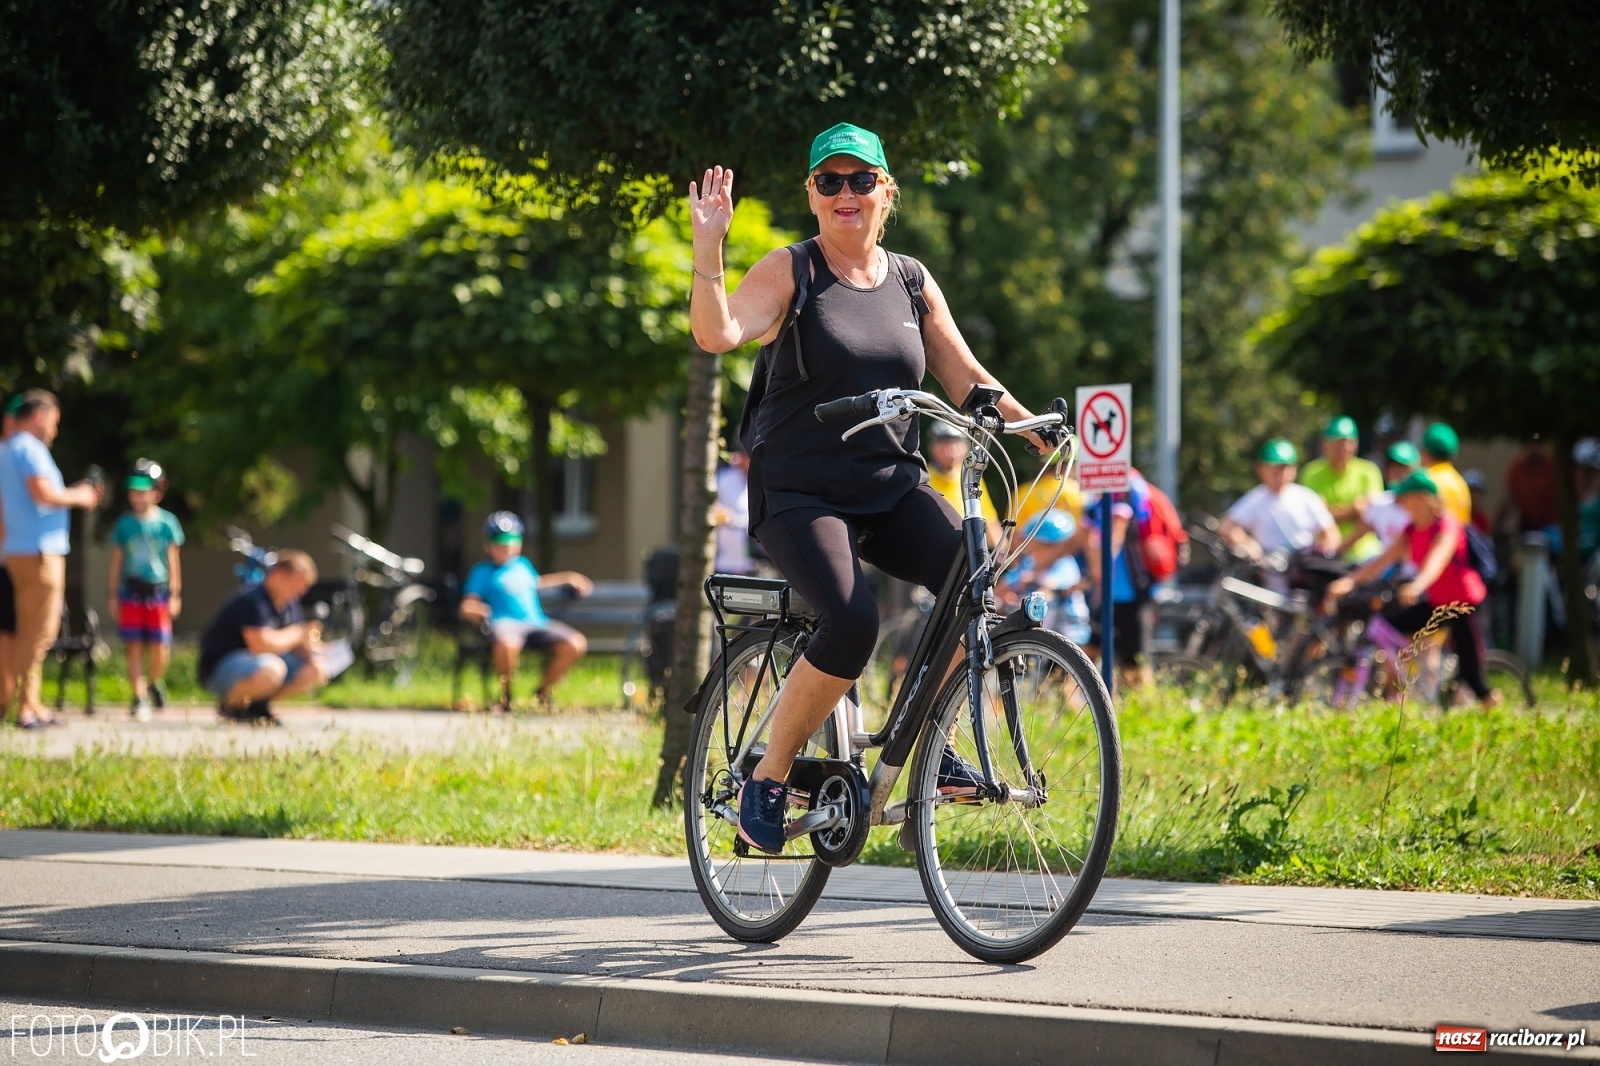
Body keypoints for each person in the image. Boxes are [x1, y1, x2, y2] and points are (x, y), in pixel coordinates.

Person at [688, 122, 1050, 853]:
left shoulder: (911, 280)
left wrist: (1032, 425)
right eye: (830, 182)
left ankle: (934, 747)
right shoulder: (792, 270)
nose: (845, 193)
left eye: (860, 180)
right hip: (801, 492)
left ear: (886, 191)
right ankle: (768, 776)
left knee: (973, 576)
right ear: (812, 195)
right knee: (852, 621)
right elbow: (717, 333)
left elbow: (966, 377)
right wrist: (708, 249)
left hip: (888, 486)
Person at [1325, 471, 1497, 707]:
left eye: (1404, 497)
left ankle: (1494, 709)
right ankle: (1409, 688)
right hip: (1437, 602)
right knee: (1388, 626)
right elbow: (1382, 561)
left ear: (1423, 499)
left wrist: (1417, 585)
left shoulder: (1447, 526)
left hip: (1465, 604)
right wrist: (1350, 581)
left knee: (1473, 677)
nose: (1399, 503)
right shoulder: (1411, 529)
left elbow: (1438, 559)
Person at [0, 390, 103, 728]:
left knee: (28, 631)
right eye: (54, 422)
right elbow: (43, 495)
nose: (55, 431)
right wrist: (81, 495)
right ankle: (24, 708)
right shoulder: (29, 449)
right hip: (39, 553)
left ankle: (30, 702)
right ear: (39, 417)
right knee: (38, 633)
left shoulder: (7, 449)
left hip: (20, 551)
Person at [459, 511, 593, 713]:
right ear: (488, 546)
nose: (506, 548)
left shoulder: (522, 565)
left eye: (512, 542)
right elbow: (467, 605)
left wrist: (568, 577)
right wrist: (475, 610)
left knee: (576, 644)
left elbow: (538, 583)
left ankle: (542, 693)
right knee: (507, 645)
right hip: (505, 624)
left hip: (536, 623)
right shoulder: (482, 572)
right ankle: (506, 698)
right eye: (500, 543)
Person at [198, 550, 326, 723]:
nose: (301, 590)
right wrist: (297, 634)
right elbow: (260, 645)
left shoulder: (289, 605)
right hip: (221, 668)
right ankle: (232, 705)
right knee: (273, 669)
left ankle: (257, 705)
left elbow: (296, 642)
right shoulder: (254, 600)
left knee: (315, 669)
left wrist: (313, 649)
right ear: (278, 574)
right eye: (298, 582)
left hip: (260, 664)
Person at [107, 460, 184, 721]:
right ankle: (139, 695)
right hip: (131, 592)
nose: (137, 496)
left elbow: (173, 561)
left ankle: (154, 681)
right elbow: (117, 561)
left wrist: (175, 594)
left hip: (158, 592)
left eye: (143, 490)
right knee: (134, 646)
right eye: (133, 490)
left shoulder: (167, 523)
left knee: (160, 646)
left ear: (157, 492)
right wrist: (112, 594)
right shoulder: (124, 524)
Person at [1217, 438, 1340, 578]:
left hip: (1302, 575)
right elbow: (1226, 527)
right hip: (1268, 574)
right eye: (1275, 468)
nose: (1281, 474)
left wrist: (1319, 557)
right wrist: (1249, 545)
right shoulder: (1256, 498)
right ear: (1261, 469)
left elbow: (1331, 535)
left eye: (1286, 468)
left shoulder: (1307, 497)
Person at [1083, 474, 1155, 686]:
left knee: (1134, 658)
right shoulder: (1095, 503)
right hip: (1107, 592)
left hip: (1130, 590)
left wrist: (1095, 577)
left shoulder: (1124, 494)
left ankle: (1140, 704)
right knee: (1092, 650)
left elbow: (1113, 540)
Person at [1299, 415, 1385, 561]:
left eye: (1349, 443)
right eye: (1338, 444)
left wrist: (1328, 512)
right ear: (1325, 444)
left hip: (1363, 553)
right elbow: (1310, 516)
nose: (1344, 448)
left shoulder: (1369, 472)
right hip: (1322, 552)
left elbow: (1373, 516)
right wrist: (1352, 510)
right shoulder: (1311, 473)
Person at [1006, 510, 1091, 645]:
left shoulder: (1064, 564)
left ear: (1055, 547)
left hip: (1067, 635)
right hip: (1038, 630)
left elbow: (1049, 589)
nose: (1031, 552)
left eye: (1037, 547)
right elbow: (1008, 584)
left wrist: (1026, 599)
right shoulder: (1029, 563)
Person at [1341, 441, 1422, 561]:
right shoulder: (1380, 503)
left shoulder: (1421, 508)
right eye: (1392, 466)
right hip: (1386, 566)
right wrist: (1329, 553)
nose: (1397, 472)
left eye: (1404, 468)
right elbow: (1355, 537)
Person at [925, 420, 1001, 548]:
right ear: (932, 448)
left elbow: (990, 521)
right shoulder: (923, 477)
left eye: (956, 443)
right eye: (944, 444)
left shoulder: (971, 478)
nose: (950, 451)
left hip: (967, 548)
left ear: (966, 447)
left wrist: (1002, 552)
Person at [1497, 437, 1559, 534]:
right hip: (1526, 524)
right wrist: (1498, 524)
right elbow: (1510, 498)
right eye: (1531, 443)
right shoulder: (1517, 467)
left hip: (1551, 524)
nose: (1534, 448)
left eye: (1538, 443)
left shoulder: (1553, 466)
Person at [1421, 422, 1472, 527]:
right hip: (1459, 536)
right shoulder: (1461, 483)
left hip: (1437, 537)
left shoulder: (1425, 479)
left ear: (1425, 451)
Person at [712, 448, 754, 576]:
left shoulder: (760, 480)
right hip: (725, 563)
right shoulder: (724, 479)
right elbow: (714, 509)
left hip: (754, 564)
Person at [1574, 439, 1600, 562]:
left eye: (1592, 471)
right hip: (1572, 557)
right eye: (1583, 470)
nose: (1587, 476)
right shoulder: (1569, 500)